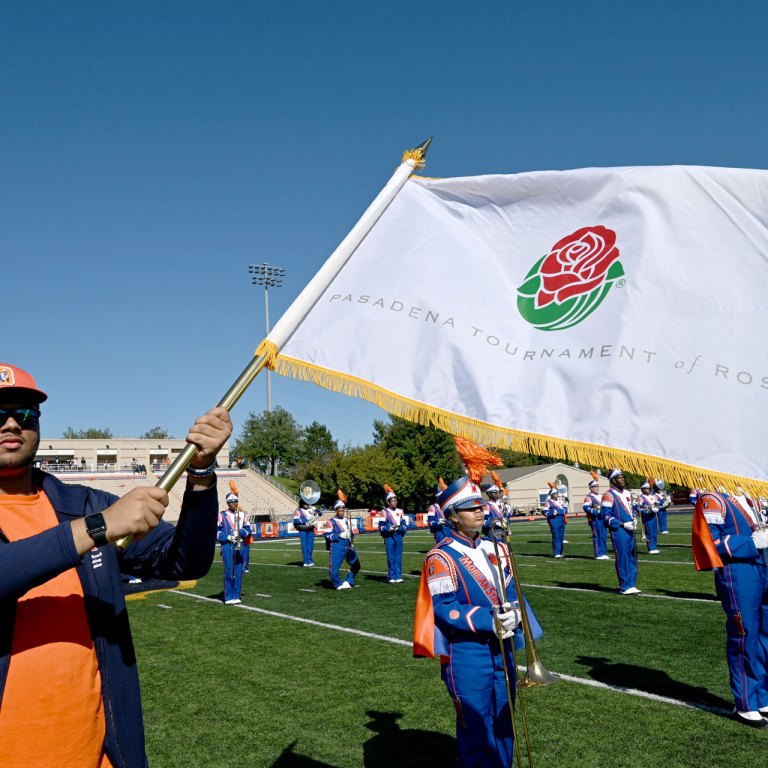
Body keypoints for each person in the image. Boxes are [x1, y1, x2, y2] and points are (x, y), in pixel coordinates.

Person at [0, 361, 232, 767]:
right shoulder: (95, 517)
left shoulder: (83, 503)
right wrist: (95, 529)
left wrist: (200, 473)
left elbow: (185, 562)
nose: (11, 425)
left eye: (23, 414)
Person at [413, 436, 541, 768]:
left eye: (481, 507)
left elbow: (511, 592)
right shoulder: (440, 557)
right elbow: (444, 608)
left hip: (504, 651)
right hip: (468, 654)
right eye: (472, 509)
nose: (481, 512)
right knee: (476, 734)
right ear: (453, 516)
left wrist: (513, 614)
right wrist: (489, 620)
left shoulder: (495, 547)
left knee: (504, 726)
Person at [692, 488, 768, 727]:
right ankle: (745, 703)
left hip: (763, 564)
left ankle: (762, 695)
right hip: (738, 570)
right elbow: (710, 542)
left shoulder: (751, 494)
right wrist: (750, 542)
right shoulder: (712, 498)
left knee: (765, 632)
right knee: (744, 633)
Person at [601, 468, 640, 594]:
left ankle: (632, 583)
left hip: (630, 529)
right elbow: (605, 516)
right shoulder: (608, 495)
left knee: (632, 557)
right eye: (619, 477)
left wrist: (634, 518)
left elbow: (632, 509)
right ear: (613, 480)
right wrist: (622, 524)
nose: (622, 479)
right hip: (619, 530)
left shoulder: (627, 493)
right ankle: (624, 586)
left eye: (623, 477)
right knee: (623, 557)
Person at [217, 491, 251, 604]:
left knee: (239, 571)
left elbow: (249, 529)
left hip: (240, 544)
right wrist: (227, 537)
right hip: (227, 545)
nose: (234, 503)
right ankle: (228, 596)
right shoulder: (221, 515)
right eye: (231, 502)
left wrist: (240, 532)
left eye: (236, 501)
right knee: (229, 570)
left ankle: (236, 595)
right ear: (227, 503)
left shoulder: (243, 514)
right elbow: (216, 531)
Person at [326, 491, 360, 590]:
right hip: (337, 546)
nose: (342, 512)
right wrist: (339, 535)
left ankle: (348, 581)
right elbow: (327, 535)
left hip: (348, 545)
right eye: (340, 510)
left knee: (356, 565)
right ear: (336, 511)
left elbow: (352, 532)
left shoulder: (346, 520)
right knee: (334, 569)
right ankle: (337, 584)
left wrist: (353, 533)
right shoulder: (331, 522)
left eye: (343, 510)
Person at [379, 484, 406, 583]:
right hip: (389, 537)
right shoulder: (384, 512)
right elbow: (381, 526)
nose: (395, 502)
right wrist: (389, 528)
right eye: (393, 501)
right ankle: (391, 576)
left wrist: (399, 528)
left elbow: (404, 525)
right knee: (391, 557)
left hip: (398, 535)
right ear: (388, 502)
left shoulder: (400, 511)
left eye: (396, 500)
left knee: (398, 557)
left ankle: (398, 575)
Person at [583, 473, 610, 560]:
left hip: (602, 518)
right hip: (595, 519)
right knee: (597, 535)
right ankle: (598, 554)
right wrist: (594, 511)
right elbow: (585, 507)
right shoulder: (589, 497)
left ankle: (603, 552)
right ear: (591, 488)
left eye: (597, 486)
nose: (597, 488)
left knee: (603, 535)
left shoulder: (601, 496)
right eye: (594, 486)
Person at [293, 498, 321, 567]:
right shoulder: (298, 511)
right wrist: (306, 520)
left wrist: (317, 510)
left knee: (310, 546)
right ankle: (305, 561)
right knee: (304, 546)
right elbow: (296, 521)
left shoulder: (310, 510)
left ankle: (310, 561)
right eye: (305, 503)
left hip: (311, 530)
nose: (306, 505)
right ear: (301, 504)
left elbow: (320, 514)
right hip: (303, 530)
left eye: (307, 503)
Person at [636, 480, 661, 554]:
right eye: (646, 488)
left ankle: (654, 547)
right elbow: (636, 507)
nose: (648, 490)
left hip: (654, 516)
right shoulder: (641, 498)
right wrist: (645, 511)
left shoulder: (652, 497)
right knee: (649, 532)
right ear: (642, 489)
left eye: (648, 488)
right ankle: (651, 548)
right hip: (647, 517)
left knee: (654, 532)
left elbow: (657, 505)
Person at [543, 482, 567, 558]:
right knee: (556, 537)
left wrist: (558, 511)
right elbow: (545, 512)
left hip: (561, 520)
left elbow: (565, 510)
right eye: (555, 493)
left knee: (561, 537)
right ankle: (556, 553)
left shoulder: (560, 501)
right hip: (554, 521)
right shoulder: (548, 502)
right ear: (552, 495)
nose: (557, 494)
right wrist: (552, 513)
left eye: (557, 493)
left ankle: (560, 552)